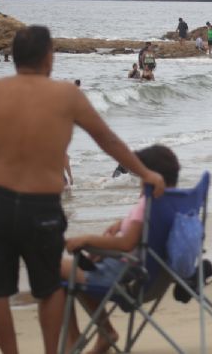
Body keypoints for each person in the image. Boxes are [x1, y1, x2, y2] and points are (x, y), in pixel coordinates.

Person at [0, 25, 165, 354]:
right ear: (48, 57)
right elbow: (108, 141)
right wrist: (146, 173)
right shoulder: (67, 95)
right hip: (40, 207)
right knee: (49, 286)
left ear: (14, 58)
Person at [61, 145, 177, 353]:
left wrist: (87, 239)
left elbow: (126, 244)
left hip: (130, 275)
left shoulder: (148, 204)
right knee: (80, 268)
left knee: (57, 269)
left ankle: (82, 337)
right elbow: (142, 235)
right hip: (160, 275)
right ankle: (102, 334)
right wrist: (123, 224)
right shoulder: (171, 203)